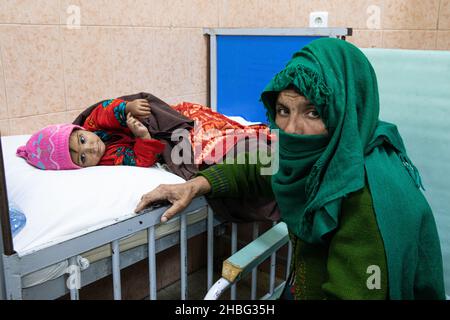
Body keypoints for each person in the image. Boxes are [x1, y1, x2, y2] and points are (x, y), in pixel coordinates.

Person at [135, 38, 445, 299]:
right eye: (283, 110)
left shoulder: (365, 198)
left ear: (347, 111)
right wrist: (195, 185)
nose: (292, 129)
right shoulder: (327, 154)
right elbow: (259, 165)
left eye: (313, 111)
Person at [16, 98, 165, 170]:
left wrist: (127, 108)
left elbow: (105, 111)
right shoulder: (107, 161)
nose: (90, 148)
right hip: (142, 134)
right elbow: (140, 160)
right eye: (83, 157)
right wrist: (143, 136)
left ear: (80, 129)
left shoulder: (92, 124)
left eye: (82, 140)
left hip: (142, 118)